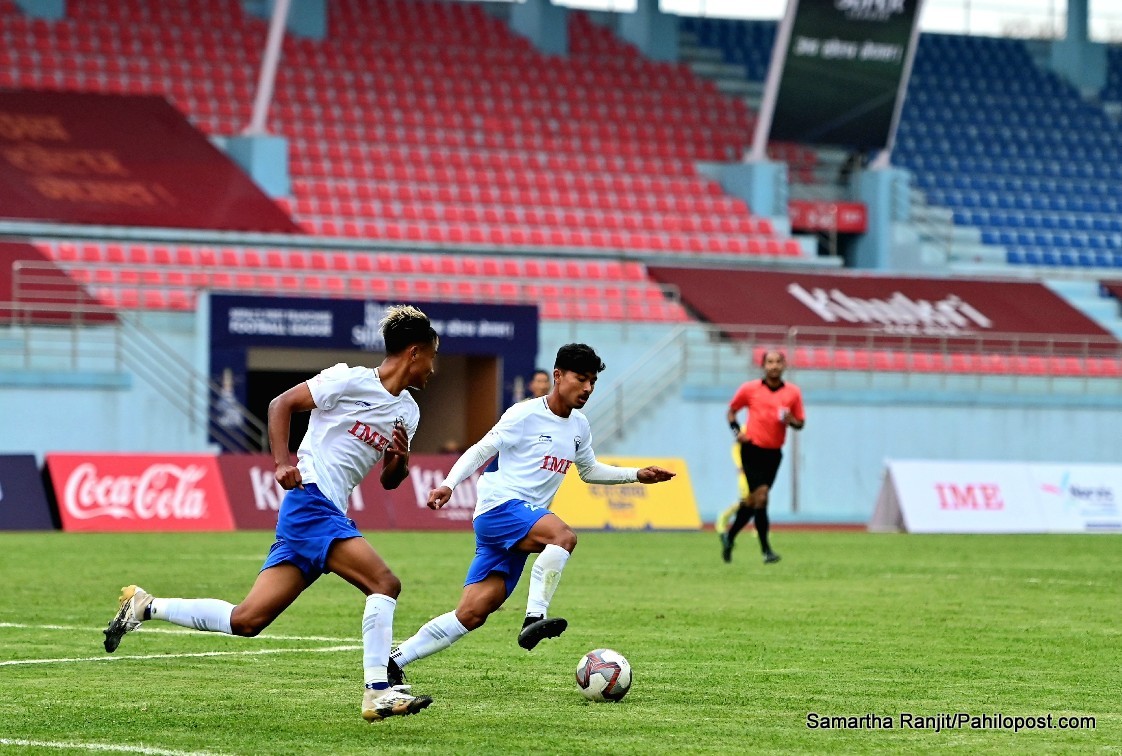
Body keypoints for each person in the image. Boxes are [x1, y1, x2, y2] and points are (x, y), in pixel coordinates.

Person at [102, 305, 440, 723]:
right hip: (311, 500)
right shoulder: (348, 380)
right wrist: (281, 462)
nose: (432, 368)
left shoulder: (408, 412)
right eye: (431, 356)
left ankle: (145, 605)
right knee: (384, 583)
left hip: (326, 512)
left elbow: (389, 481)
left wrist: (400, 461)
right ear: (413, 352)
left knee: (248, 619)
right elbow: (282, 404)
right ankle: (377, 691)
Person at [386, 343, 675, 684]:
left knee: (473, 612)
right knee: (563, 537)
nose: (587, 388)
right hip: (500, 508)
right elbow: (481, 450)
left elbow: (588, 470)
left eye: (593, 382)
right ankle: (534, 618)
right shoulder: (524, 414)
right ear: (558, 375)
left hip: (520, 523)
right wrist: (449, 484)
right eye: (581, 379)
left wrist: (636, 474)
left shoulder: (579, 426)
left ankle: (394, 660)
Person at [721, 350, 805, 565]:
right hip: (752, 449)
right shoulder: (750, 389)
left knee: (752, 502)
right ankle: (766, 551)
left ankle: (729, 537)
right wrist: (737, 432)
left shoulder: (793, 393)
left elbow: (800, 423)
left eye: (778, 362)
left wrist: (791, 420)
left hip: (774, 453)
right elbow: (731, 411)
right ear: (763, 366)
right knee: (762, 497)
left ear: (784, 365)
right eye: (770, 362)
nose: (774, 366)